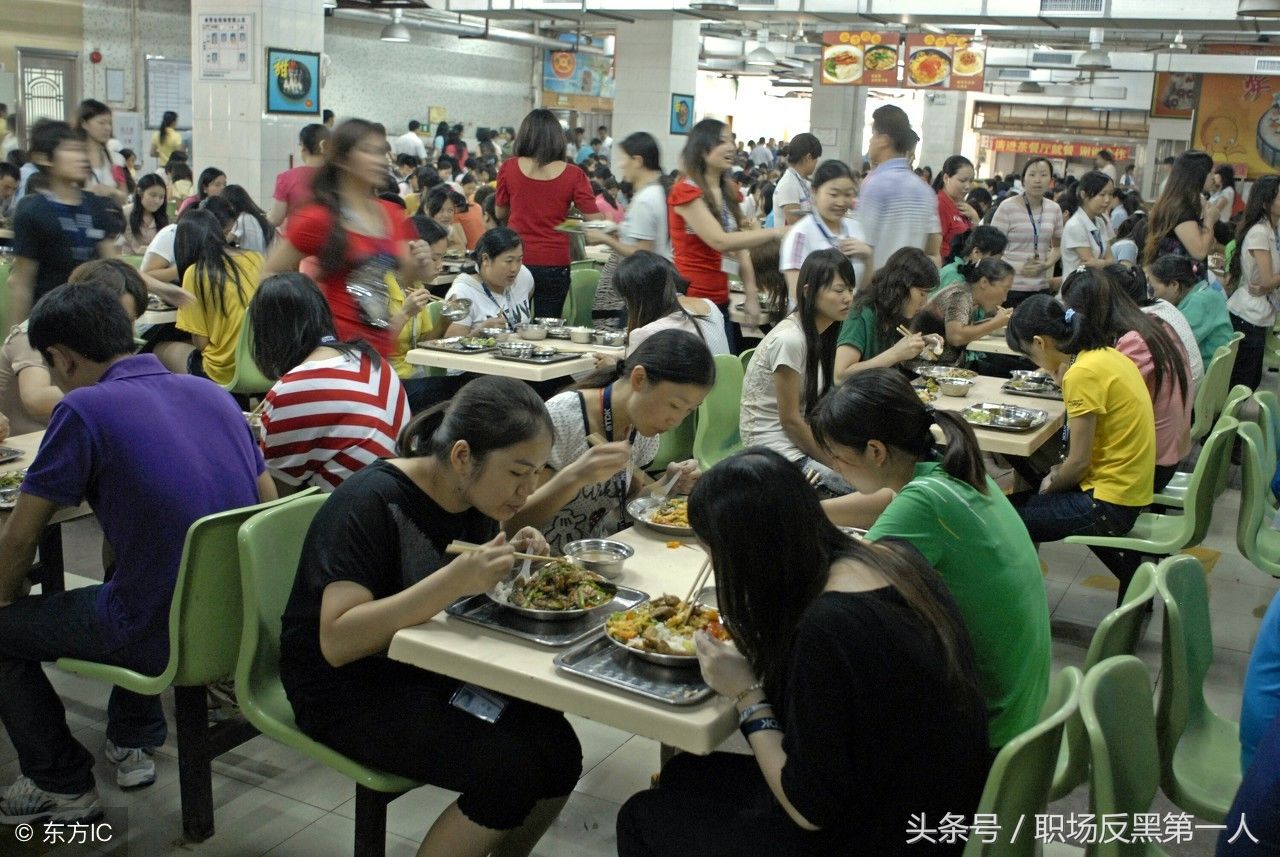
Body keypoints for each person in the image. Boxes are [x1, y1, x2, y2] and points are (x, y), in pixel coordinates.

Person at [616, 447, 990, 856]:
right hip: (939, 805)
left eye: (714, 554)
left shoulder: (826, 628)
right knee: (686, 772)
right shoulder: (894, 557)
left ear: (750, 554)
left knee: (641, 816)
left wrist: (746, 694)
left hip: (883, 835)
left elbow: (808, 808)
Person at [278, 376, 581, 857]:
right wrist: (457, 580)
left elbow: (458, 587)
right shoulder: (370, 502)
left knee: (561, 750)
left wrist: (511, 558)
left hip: (425, 667)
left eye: (538, 472)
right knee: (511, 768)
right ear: (462, 455)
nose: (527, 491)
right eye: (518, 472)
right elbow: (337, 642)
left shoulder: (473, 496)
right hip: (345, 689)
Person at [0, 284, 270, 821]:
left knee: (14, 626)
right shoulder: (212, 393)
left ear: (64, 357)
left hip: (158, 628)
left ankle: (61, 783)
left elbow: (21, 536)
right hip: (245, 618)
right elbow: (268, 509)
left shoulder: (82, 408)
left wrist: (6, 598)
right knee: (136, 573)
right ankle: (134, 737)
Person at [812, 368, 1051, 748]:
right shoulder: (954, 470)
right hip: (1026, 703)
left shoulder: (922, 502)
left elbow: (841, 594)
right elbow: (885, 499)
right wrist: (806, 510)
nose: (836, 470)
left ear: (875, 451)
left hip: (990, 725)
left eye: (838, 459)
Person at [1006, 295, 1155, 601]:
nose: (1034, 364)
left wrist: (1051, 484)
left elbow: (1077, 464)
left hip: (1108, 506)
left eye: (1029, 356)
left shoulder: (1082, 373)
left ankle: (1014, 601)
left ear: (1040, 342)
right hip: (1129, 492)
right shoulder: (1105, 356)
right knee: (1018, 502)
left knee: (1001, 517)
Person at [508, 330, 711, 553]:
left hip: (598, 559)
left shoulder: (642, 430)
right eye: (674, 405)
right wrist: (575, 476)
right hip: (539, 566)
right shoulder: (561, 419)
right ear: (639, 378)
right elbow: (511, 523)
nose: (677, 421)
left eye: (689, 411)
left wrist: (668, 484)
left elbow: (629, 501)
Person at [263, 118, 433, 361]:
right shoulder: (320, 217)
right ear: (342, 159)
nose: (380, 159)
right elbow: (269, 274)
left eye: (382, 151)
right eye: (367, 151)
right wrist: (306, 319)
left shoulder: (392, 213)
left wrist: (422, 261)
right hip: (333, 349)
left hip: (380, 349)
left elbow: (411, 276)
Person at [249, 273, 410, 493]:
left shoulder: (293, 389)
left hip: (355, 514)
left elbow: (277, 494)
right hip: (398, 497)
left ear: (267, 334)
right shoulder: (369, 358)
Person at [1061, 267, 1191, 493]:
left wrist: (1066, 379)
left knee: (1069, 453)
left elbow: (1108, 402)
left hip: (1150, 466)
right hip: (1168, 452)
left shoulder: (1134, 343)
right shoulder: (1151, 323)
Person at [668, 119, 788, 353]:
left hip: (720, 298)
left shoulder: (727, 190)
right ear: (702, 149)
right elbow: (719, 240)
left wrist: (751, 295)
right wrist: (774, 232)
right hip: (692, 301)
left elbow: (739, 247)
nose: (731, 146)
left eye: (732, 139)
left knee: (725, 371)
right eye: (722, 141)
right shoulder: (686, 191)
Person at [740, 248, 853, 491]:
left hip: (796, 442)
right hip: (770, 450)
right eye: (839, 290)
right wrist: (834, 463)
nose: (848, 298)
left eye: (851, 289)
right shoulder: (790, 339)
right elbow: (791, 421)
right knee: (856, 491)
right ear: (808, 291)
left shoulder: (820, 334)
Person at [0, 259, 147, 436]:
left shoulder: (101, 344)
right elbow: (35, 399)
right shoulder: (32, 333)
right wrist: (113, 387)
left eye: (132, 321)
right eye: (121, 321)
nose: (129, 333)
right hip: (25, 445)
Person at [8, 120, 119, 325]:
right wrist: (14, 341)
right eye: (71, 150)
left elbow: (115, 268)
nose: (81, 158)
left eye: (82, 151)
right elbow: (23, 284)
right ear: (44, 158)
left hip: (92, 317)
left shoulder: (96, 206)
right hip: (48, 320)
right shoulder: (33, 211)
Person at [495, 109, 601, 318]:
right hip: (554, 261)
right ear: (558, 139)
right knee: (547, 326)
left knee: (512, 323)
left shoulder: (509, 167)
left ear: (524, 135)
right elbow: (595, 221)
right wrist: (565, 221)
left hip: (515, 260)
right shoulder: (574, 174)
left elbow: (500, 212)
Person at [587, 132, 672, 325]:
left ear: (637, 160)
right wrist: (617, 229)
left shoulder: (645, 199)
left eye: (623, 158)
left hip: (644, 288)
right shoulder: (656, 191)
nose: (620, 164)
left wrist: (604, 238)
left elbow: (642, 252)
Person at [170, 208, 263, 384]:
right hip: (266, 365)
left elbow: (201, 344)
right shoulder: (255, 258)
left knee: (159, 349)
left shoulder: (195, 273)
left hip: (224, 373)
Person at [857, 105, 942, 272]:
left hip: (878, 285)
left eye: (873, 135)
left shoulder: (875, 184)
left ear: (884, 140)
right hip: (909, 285)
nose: (870, 141)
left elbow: (865, 245)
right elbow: (933, 246)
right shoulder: (924, 189)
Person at [833, 247, 940, 380]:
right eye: (922, 293)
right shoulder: (861, 313)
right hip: (857, 399)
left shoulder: (895, 311)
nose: (924, 303)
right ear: (901, 286)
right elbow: (840, 376)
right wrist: (895, 354)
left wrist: (919, 344)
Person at [780, 160, 870, 311]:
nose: (841, 202)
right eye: (834, 194)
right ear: (814, 192)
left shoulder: (856, 229)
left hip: (849, 322)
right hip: (813, 325)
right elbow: (797, 294)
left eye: (848, 194)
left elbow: (865, 288)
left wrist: (868, 256)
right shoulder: (800, 234)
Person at [1111, 263, 1204, 390]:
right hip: (1192, 388)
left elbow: (1120, 385)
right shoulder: (1163, 304)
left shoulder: (1138, 325)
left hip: (1186, 394)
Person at [616, 251, 729, 356]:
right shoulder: (710, 306)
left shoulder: (648, 333)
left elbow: (635, 375)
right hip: (723, 377)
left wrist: (616, 367)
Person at [1226, 174, 1280, 391]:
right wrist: (1271, 283)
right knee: (1243, 381)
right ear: (1267, 202)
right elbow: (1267, 280)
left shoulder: (1271, 230)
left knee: (1250, 378)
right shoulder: (1259, 232)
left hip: (1259, 312)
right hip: (1248, 315)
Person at [991, 157, 1063, 307]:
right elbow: (992, 250)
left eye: (1043, 175)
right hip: (1009, 287)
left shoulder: (1054, 209)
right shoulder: (1007, 207)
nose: (1038, 180)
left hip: (1040, 287)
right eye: (1032, 175)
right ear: (1023, 179)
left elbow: (1058, 246)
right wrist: (1014, 267)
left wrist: (1046, 264)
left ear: (1051, 180)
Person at [1147, 254, 1233, 371]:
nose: (1153, 295)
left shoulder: (1200, 301)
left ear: (1174, 285)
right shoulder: (1204, 291)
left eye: (1154, 289)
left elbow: (1171, 344)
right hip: (1213, 371)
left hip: (1202, 372)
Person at [442, 227, 535, 335]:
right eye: (509, 261)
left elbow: (528, 294)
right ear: (486, 259)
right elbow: (450, 345)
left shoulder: (523, 275)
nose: (515, 268)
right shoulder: (463, 293)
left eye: (519, 260)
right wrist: (480, 331)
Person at [926, 258, 1015, 366]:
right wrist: (996, 323)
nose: (1005, 298)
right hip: (926, 368)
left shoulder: (967, 294)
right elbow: (956, 337)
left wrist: (998, 321)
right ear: (984, 282)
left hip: (947, 365)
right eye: (1005, 290)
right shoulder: (960, 295)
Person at [1140, 149, 1216, 267]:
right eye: (1210, 172)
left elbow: (1210, 246)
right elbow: (1200, 252)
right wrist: (1210, 220)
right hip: (1176, 279)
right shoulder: (1181, 208)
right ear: (1197, 175)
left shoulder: (1185, 201)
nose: (1213, 177)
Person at [267, 123, 329, 227]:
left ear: (303, 147)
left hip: (296, 241)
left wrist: (266, 218)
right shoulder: (339, 177)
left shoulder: (286, 178)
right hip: (332, 242)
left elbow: (275, 219)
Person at [1059, 170, 1116, 273]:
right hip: (1077, 286)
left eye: (1111, 194)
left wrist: (1101, 263)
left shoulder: (1100, 222)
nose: (1107, 200)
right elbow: (1090, 266)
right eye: (1102, 194)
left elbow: (1112, 260)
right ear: (1083, 195)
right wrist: (1104, 263)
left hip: (1095, 284)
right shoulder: (1076, 225)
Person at [75, 99, 128, 206]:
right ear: (84, 124)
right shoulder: (75, 159)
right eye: (101, 123)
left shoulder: (116, 160)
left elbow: (124, 198)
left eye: (109, 123)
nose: (108, 128)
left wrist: (112, 191)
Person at [933, 225, 1006, 298]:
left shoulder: (975, 275)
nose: (997, 264)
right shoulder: (953, 276)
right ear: (976, 252)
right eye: (995, 259)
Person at [932, 155, 980, 261]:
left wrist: (975, 220)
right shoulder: (939, 204)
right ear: (946, 178)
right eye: (963, 181)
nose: (967, 186)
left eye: (971, 181)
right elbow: (934, 250)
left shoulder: (963, 206)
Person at [772, 133, 821, 226]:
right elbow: (795, 225)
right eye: (816, 159)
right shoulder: (789, 184)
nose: (816, 164)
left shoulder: (800, 181)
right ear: (809, 157)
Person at [119, 173, 169, 255]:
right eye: (153, 195)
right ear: (140, 192)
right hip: (129, 263)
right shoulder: (125, 214)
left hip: (156, 265)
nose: (157, 201)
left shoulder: (164, 218)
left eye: (161, 197)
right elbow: (136, 248)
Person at [220, 184, 274, 254]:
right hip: (261, 258)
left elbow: (227, 241)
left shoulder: (242, 219)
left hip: (253, 259)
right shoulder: (253, 216)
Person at [425, 185, 467, 254]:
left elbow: (461, 246)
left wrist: (443, 252)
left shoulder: (448, 228)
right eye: (441, 211)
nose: (446, 215)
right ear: (429, 211)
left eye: (450, 210)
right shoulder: (424, 229)